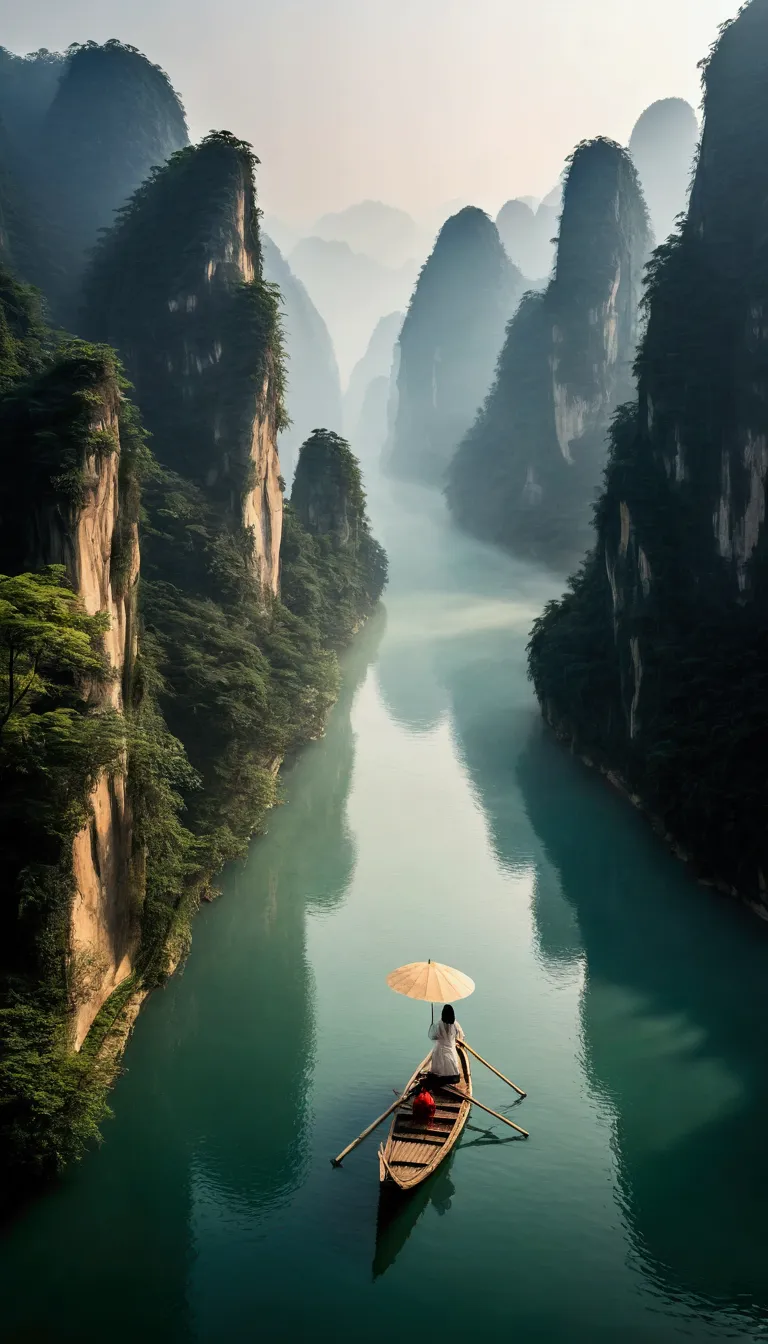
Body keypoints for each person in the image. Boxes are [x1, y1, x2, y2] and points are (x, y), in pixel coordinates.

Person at [427, 1004, 465, 1087]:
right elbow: (462, 1036)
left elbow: (433, 1036)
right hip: (450, 1049)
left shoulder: (438, 1024)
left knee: (437, 1069)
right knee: (452, 1069)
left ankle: (437, 1080)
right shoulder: (455, 1024)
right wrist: (457, 1043)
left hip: (438, 1050)